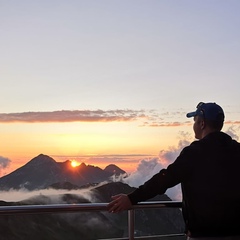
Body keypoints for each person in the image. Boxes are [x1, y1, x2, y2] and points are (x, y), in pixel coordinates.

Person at [107, 102, 240, 239]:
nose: (193, 125)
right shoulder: (237, 150)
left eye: (194, 121)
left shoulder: (194, 153)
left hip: (203, 235)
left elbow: (164, 179)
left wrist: (132, 198)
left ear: (202, 124)